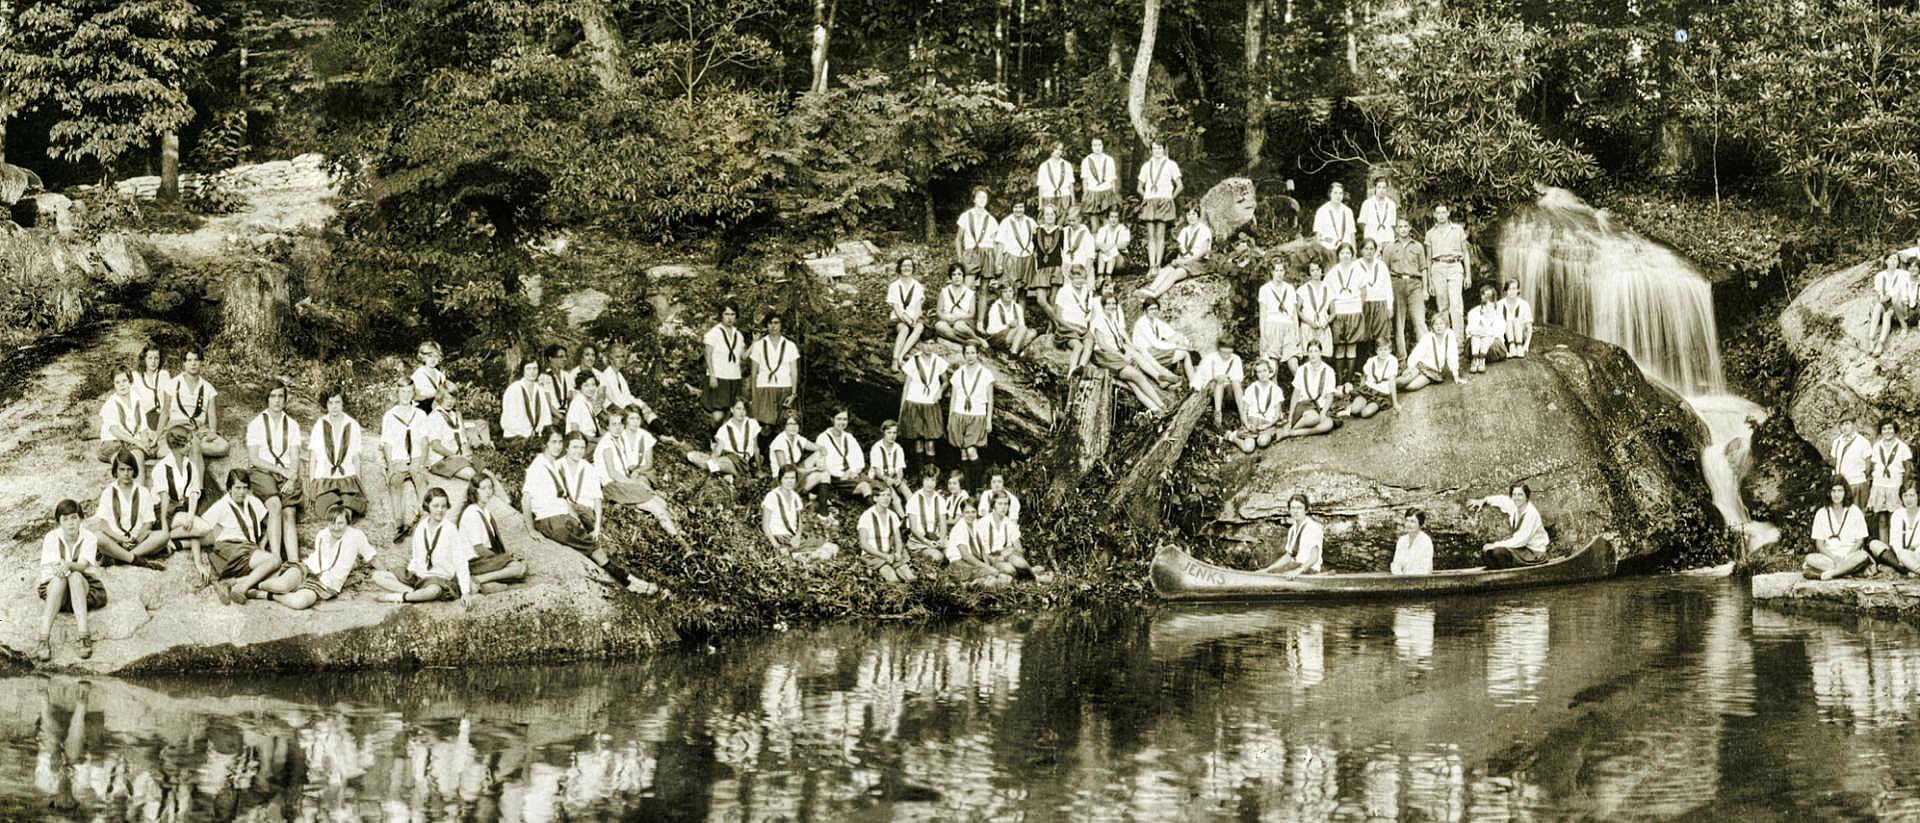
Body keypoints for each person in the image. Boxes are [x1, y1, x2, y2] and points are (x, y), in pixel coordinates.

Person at [197, 469, 293, 606]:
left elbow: (271, 524)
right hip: (230, 548)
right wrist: (197, 561)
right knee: (275, 560)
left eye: (245, 488)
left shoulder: (252, 501)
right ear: (229, 488)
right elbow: (198, 531)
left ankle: (231, 583)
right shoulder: (221, 506)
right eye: (237, 488)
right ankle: (242, 587)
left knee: (278, 572)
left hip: (249, 549)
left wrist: (263, 542)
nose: (241, 492)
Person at [259, 503, 376, 610]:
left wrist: (387, 572)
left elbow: (371, 557)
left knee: (299, 602)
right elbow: (317, 559)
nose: (336, 527)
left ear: (348, 523)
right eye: (332, 523)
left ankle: (267, 595)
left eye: (340, 523)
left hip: (327, 583)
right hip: (308, 569)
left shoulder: (356, 536)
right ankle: (257, 585)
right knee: (281, 585)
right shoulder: (323, 534)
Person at [373, 487, 473, 602]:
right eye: (436, 506)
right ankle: (414, 594)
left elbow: (460, 561)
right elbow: (416, 557)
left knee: (433, 591)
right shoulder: (421, 527)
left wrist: (465, 592)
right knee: (378, 576)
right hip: (419, 577)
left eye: (443, 506)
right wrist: (409, 574)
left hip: (439, 580)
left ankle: (399, 597)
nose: (440, 510)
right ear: (427, 506)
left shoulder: (450, 529)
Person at [35, 500, 105, 661]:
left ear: (80, 518)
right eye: (65, 519)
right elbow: (56, 569)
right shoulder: (51, 537)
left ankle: (83, 635)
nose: (70, 523)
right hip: (56, 589)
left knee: (74, 575)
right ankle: (43, 638)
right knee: (61, 579)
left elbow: (82, 566)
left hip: (80, 588)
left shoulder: (89, 537)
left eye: (73, 518)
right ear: (59, 522)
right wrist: (64, 567)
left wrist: (67, 564)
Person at [597, 407, 682, 537]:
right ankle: (680, 541)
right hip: (613, 486)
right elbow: (612, 473)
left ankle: (674, 531)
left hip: (621, 482)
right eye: (614, 424)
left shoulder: (616, 440)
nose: (618, 427)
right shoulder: (606, 444)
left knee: (661, 503)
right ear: (606, 426)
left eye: (620, 423)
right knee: (656, 507)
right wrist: (634, 483)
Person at [1089, 281, 1171, 412]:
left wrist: (1126, 351)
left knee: (1133, 383)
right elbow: (1103, 345)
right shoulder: (1098, 320)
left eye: (1113, 304)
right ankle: (1162, 405)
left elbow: (1118, 340)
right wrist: (1122, 356)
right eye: (1108, 304)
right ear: (1103, 305)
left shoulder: (1112, 319)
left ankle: (1156, 409)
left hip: (1114, 353)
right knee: (1137, 376)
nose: (1111, 306)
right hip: (1103, 356)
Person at [244, 381, 303, 561]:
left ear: (285, 400)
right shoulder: (256, 423)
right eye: (273, 396)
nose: (276, 401)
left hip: (286, 474)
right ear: (267, 399)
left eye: (280, 396)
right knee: (275, 504)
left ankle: (294, 562)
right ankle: (275, 558)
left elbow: (294, 457)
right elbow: (254, 458)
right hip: (262, 471)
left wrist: (292, 478)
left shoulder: (292, 425)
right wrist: (281, 471)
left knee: (289, 512)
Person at [93, 449, 167, 567]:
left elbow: (148, 524)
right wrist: (120, 538)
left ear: (134, 471)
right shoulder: (108, 492)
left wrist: (136, 539)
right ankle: (133, 558)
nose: (126, 473)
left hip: (137, 541)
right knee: (97, 537)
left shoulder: (143, 492)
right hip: (115, 540)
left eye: (129, 469)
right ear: (116, 471)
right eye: (122, 469)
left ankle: (123, 557)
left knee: (163, 536)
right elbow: (103, 524)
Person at [381, 381, 433, 544]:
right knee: (395, 483)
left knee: (420, 479)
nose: (405, 395)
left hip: (416, 456)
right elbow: (387, 443)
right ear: (397, 394)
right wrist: (390, 466)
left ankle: (425, 522)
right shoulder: (390, 416)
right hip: (399, 458)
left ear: (413, 394)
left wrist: (423, 462)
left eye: (409, 392)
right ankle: (399, 524)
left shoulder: (420, 414)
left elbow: (424, 440)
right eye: (402, 392)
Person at [457, 475, 530, 592]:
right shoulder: (471, 513)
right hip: (474, 562)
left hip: (483, 559)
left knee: (520, 564)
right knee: (519, 568)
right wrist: (502, 558)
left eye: (490, 488)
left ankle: (488, 583)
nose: (488, 492)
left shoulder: (485, 512)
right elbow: (479, 548)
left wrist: (507, 555)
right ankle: (478, 579)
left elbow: (492, 543)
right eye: (483, 488)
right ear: (474, 491)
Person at [307, 385, 369, 521]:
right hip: (325, 479)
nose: (334, 407)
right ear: (326, 404)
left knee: (347, 509)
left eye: (337, 402)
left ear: (343, 404)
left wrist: (358, 483)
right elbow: (313, 456)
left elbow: (356, 457)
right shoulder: (320, 424)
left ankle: (346, 515)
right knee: (331, 510)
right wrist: (312, 483)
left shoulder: (352, 425)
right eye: (330, 403)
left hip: (347, 478)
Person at [763, 468, 840, 560]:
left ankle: (802, 555)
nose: (789, 481)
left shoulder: (795, 497)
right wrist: (777, 545)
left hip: (793, 536)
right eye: (786, 478)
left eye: (792, 478)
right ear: (780, 480)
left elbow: (799, 522)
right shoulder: (772, 496)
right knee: (825, 554)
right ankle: (800, 555)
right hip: (780, 537)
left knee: (834, 547)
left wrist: (798, 536)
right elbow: (765, 526)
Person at [1803, 477, 1873, 580]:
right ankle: (1846, 571)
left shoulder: (1855, 511)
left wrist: (1846, 556)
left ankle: (1833, 574)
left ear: (1846, 492)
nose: (1836, 495)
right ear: (1828, 493)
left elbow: (1860, 541)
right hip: (1829, 557)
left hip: (1850, 555)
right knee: (1809, 558)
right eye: (1833, 491)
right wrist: (1834, 558)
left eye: (1840, 491)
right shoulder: (1821, 513)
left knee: (1862, 555)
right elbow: (1820, 544)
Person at [167, 348, 229, 459]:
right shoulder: (172, 384)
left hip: (198, 430)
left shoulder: (208, 388)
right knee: (193, 445)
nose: (193, 364)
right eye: (189, 360)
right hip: (178, 427)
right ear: (184, 363)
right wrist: (157, 436)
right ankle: (191, 448)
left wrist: (213, 431)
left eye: (196, 360)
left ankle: (185, 448)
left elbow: (211, 415)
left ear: (201, 363)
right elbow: (165, 412)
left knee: (223, 447)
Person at [1139, 208, 1214, 298]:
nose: (1191, 217)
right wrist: (1178, 260)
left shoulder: (1204, 230)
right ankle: (1151, 289)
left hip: (1198, 262)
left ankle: (1156, 294)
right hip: (1184, 260)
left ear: (1198, 215)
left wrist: (1186, 261)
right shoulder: (1184, 230)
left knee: (1176, 273)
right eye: (1188, 214)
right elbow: (1181, 250)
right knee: (1166, 270)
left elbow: (1203, 251)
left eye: (1193, 214)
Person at [1470, 484, 1550, 569]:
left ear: (1526, 497)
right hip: (1521, 549)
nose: (1516, 498)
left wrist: (1495, 545)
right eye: (1514, 495)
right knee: (1487, 553)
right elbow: (1501, 500)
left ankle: (1510, 576)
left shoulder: (1531, 514)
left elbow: (1520, 540)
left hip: (1534, 553)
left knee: (1498, 552)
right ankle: (1496, 576)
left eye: (1520, 495)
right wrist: (1484, 500)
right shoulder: (1514, 506)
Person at [1324, 244, 1367, 387]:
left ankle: (1348, 381)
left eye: (1348, 253)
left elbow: (1363, 290)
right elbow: (1328, 294)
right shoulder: (1332, 273)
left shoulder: (1358, 271)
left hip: (1354, 310)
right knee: (1340, 347)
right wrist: (1333, 311)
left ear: (1352, 255)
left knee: (1352, 346)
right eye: (1342, 253)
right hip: (1339, 311)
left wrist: (1359, 306)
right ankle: (1339, 382)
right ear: (1338, 255)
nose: (1345, 256)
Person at [1383, 218, 1428, 359]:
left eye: (1405, 226)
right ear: (1396, 229)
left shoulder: (1418, 247)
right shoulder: (1389, 248)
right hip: (1396, 284)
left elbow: (1424, 269)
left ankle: (1425, 357)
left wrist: (1425, 289)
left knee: (1420, 321)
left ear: (1410, 228)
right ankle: (1402, 358)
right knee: (1399, 324)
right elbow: (1385, 272)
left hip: (1415, 285)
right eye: (1400, 227)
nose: (1403, 229)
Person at [98, 370, 157, 474]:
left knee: (140, 455)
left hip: (132, 442)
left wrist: (145, 442)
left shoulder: (136, 400)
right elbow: (115, 431)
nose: (121, 385)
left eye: (124, 381)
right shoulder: (111, 403)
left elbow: (142, 428)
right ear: (114, 385)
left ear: (130, 382)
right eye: (117, 382)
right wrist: (138, 442)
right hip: (114, 442)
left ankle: (140, 488)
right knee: (126, 461)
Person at [1135, 141, 1183, 272]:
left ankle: (1158, 265)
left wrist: (1170, 198)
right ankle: (1151, 267)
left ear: (1164, 149)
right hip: (1150, 202)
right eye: (1154, 148)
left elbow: (1180, 186)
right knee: (1151, 235)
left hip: (1164, 201)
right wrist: (1147, 196)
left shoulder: (1171, 165)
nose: (1157, 151)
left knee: (1160, 235)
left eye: (1159, 148)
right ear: (1151, 150)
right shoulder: (1146, 166)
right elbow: (1139, 187)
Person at [1277, 341, 1338, 440]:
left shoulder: (1329, 370)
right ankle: (1292, 426)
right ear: (1307, 353)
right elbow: (1296, 394)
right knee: (1313, 418)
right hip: (1304, 406)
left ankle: (1293, 432)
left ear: (1321, 353)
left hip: (1320, 407)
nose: (1313, 354)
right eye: (1310, 351)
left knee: (1328, 424)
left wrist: (1323, 412)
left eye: (1316, 351)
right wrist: (1290, 418)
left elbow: (1330, 396)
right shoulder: (1301, 370)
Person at [1426, 204, 1471, 339]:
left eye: (1443, 212)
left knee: (1456, 305)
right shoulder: (1430, 233)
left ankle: (1459, 341)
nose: (1441, 215)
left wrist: (1468, 275)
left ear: (1448, 213)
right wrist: (1430, 283)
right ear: (1434, 215)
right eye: (1438, 213)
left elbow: (1466, 253)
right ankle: (1445, 339)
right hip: (1438, 267)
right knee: (1442, 306)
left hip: (1455, 266)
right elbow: (1428, 259)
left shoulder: (1457, 230)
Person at [748, 316, 800, 427]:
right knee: (764, 426)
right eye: (770, 323)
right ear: (766, 326)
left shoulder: (790, 345)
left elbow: (794, 372)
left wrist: (793, 394)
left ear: (781, 325)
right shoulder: (759, 345)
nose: (773, 326)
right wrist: (754, 395)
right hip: (764, 387)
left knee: (785, 423)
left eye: (776, 323)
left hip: (785, 387)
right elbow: (753, 373)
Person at [1131, 298, 1197, 384]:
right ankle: (1192, 382)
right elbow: (1156, 343)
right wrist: (1177, 346)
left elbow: (1172, 333)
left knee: (1179, 338)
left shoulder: (1156, 321)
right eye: (1151, 309)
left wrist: (1186, 343)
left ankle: (1194, 383)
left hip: (1155, 351)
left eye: (1156, 308)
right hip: (1147, 355)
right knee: (1184, 353)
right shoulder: (1142, 323)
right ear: (1145, 310)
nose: (1154, 311)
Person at [858, 488, 917, 584]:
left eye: (888, 495)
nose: (886, 498)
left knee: (910, 577)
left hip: (890, 553)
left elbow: (898, 539)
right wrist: (883, 556)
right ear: (875, 498)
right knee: (893, 579)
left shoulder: (893, 515)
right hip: (873, 555)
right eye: (883, 495)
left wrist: (897, 552)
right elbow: (863, 544)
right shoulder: (866, 516)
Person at [693, 400, 762, 480]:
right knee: (692, 455)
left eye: (743, 409)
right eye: (738, 409)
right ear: (732, 409)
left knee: (716, 463)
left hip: (742, 462)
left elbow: (756, 447)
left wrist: (759, 469)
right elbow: (718, 449)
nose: (741, 412)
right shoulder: (724, 429)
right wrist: (713, 457)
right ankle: (725, 473)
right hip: (728, 458)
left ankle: (722, 471)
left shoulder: (752, 423)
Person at [1228, 358, 1286, 453]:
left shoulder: (1276, 390)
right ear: (1256, 374)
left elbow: (1277, 415)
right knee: (1248, 448)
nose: (1262, 374)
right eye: (1259, 372)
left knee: (1262, 442)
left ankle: (1262, 436)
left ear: (1270, 371)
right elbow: (1244, 411)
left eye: (1264, 370)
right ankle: (1232, 437)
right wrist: (1247, 424)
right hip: (1252, 423)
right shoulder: (1251, 388)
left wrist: (1267, 425)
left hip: (1267, 424)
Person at [1867, 419, 1913, 540]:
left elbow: (1908, 468)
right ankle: (1884, 548)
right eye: (1884, 429)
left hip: (1895, 486)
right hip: (1879, 485)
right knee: (1882, 519)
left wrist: (1904, 486)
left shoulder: (1902, 447)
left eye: (1890, 428)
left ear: (1895, 430)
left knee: (1895, 518)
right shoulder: (1877, 446)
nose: (1887, 431)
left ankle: (1895, 548)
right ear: (1881, 431)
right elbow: (1872, 465)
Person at [944, 504, 1010, 588]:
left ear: (977, 512)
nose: (970, 515)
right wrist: (987, 568)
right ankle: (967, 584)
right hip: (960, 563)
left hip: (975, 560)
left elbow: (982, 549)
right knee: (995, 580)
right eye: (967, 512)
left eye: (973, 512)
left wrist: (988, 566)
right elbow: (966, 555)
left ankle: (974, 583)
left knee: (1005, 576)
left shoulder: (975, 525)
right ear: (962, 514)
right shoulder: (960, 528)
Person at [703, 306, 749, 425]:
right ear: (721, 315)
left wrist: (754, 343)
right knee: (718, 415)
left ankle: (724, 441)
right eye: (726, 314)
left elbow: (743, 356)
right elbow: (708, 355)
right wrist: (712, 375)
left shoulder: (738, 335)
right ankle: (712, 439)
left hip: (734, 377)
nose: (730, 318)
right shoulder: (713, 333)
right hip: (718, 376)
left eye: (732, 314)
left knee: (731, 413)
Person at [1259, 494, 1324, 576]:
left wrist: (1297, 571)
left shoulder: (1313, 528)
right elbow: (1289, 555)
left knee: (1282, 572)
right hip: (1295, 566)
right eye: (1293, 508)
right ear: (1289, 510)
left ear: (1306, 510)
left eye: (1299, 508)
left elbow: (1314, 557)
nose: (1295, 511)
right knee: (1271, 571)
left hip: (1309, 569)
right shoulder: (1292, 529)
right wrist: (1268, 569)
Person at [425, 387, 479, 483]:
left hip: (458, 456)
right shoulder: (435, 416)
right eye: (446, 398)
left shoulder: (456, 415)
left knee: (488, 475)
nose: (450, 402)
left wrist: (466, 452)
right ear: (440, 398)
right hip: (442, 460)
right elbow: (435, 446)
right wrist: (457, 457)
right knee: (475, 477)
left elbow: (463, 439)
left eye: (452, 398)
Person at [1399, 312, 1463, 392]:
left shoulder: (1450, 335)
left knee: (1411, 387)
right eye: (1436, 324)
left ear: (1446, 325)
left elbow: (1452, 355)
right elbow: (1416, 353)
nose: (1439, 327)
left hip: (1433, 372)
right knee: (1404, 380)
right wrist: (1410, 367)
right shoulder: (1428, 337)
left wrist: (1456, 375)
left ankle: (1389, 389)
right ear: (1432, 326)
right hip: (1420, 366)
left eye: (1441, 323)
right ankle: (1384, 387)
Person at [1192, 336, 1247, 429]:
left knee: (1236, 383)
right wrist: (1217, 378)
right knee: (1220, 381)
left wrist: (1228, 379)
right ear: (1218, 350)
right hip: (1212, 390)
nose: (1226, 356)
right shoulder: (1210, 358)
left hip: (1228, 391)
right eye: (1223, 353)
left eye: (1229, 353)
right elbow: (1201, 378)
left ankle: (1242, 414)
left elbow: (1237, 379)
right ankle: (1218, 413)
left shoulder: (1236, 359)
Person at [815, 409, 871, 498]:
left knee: (880, 490)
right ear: (832, 419)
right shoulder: (823, 438)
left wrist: (852, 471)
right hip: (835, 478)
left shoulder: (849, 437)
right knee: (866, 487)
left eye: (845, 419)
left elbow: (859, 459)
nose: (842, 422)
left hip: (852, 475)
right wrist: (842, 475)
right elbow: (824, 464)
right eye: (839, 419)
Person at [977, 493, 1034, 580]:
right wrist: (990, 565)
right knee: (1010, 570)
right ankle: (1018, 578)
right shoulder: (983, 522)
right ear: (993, 505)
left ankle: (1035, 579)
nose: (1003, 507)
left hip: (1008, 554)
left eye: (1006, 504)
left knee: (1021, 564)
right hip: (992, 557)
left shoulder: (1009, 523)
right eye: (1000, 504)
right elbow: (981, 550)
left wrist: (1014, 554)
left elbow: (1018, 548)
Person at [1054, 265, 1097, 378]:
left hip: (1082, 327)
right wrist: (1072, 328)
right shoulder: (1064, 291)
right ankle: (1071, 370)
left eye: (1082, 278)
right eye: (1076, 278)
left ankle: (1081, 367)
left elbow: (1089, 312)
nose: (1079, 281)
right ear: (1071, 278)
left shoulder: (1086, 291)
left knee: (1089, 342)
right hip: (1067, 326)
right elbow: (1058, 316)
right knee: (1078, 346)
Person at [500, 359, 555, 445]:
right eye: (528, 369)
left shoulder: (540, 390)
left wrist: (544, 433)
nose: (532, 372)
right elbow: (508, 420)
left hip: (535, 437)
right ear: (523, 370)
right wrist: (527, 433)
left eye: (535, 368)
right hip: (515, 437)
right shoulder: (513, 389)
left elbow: (546, 416)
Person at [1258, 262, 1301, 369]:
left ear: (1285, 272)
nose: (1279, 273)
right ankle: (1274, 386)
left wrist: (1297, 333)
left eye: (1281, 270)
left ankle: (1300, 385)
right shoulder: (1265, 289)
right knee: (1272, 364)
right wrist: (1263, 336)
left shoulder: (1290, 288)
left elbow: (1294, 313)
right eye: (1276, 270)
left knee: (1293, 359)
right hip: (1272, 326)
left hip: (1288, 326)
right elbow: (1262, 315)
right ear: (1272, 272)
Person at [768, 414, 828, 492]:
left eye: (796, 424)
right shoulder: (779, 442)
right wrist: (813, 469)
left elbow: (819, 448)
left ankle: (818, 501)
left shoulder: (797, 438)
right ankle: (798, 494)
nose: (793, 427)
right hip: (784, 479)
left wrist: (821, 460)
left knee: (824, 473)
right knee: (820, 474)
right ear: (784, 426)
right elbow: (785, 470)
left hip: (796, 473)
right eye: (790, 424)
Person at [933, 266, 989, 348]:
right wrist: (946, 318)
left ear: (963, 276)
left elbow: (971, 314)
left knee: (958, 326)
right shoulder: (944, 291)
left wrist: (958, 317)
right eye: (954, 274)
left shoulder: (970, 293)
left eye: (959, 274)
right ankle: (964, 342)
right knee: (939, 326)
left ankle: (977, 338)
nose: (957, 277)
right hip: (948, 319)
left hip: (964, 321)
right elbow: (939, 311)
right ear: (950, 277)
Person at [1344, 337, 1398, 419]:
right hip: (1368, 390)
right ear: (1376, 351)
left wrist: (1395, 402)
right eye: (1380, 350)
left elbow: (1392, 382)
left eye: (1385, 349)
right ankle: (1355, 405)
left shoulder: (1393, 361)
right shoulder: (1371, 361)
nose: (1383, 352)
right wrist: (1360, 389)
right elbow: (1364, 376)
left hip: (1382, 393)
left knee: (1365, 413)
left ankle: (1372, 405)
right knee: (1355, 410)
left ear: (1390, 350)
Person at [1356, 239, 1394, 358]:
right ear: (1361, 250)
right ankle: (1363, 367)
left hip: (1380, 302)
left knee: (1381, 335)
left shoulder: (1381, 265)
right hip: (1363, 303)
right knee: (1363, 335)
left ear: (1375, 250)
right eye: (1366, 249)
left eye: (1372, 249)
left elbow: (1388, 286)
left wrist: (1389, 306)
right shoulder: (1356, 265)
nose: (1369, 251)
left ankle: (1381, 363)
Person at [886, 258, 927, 365]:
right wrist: (906, 320)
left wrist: (914, 319)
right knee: (904, 329)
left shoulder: (917, 286)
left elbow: (918, 307)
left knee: (920, 327)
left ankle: (901, 356)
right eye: (904, 265)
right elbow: (896, 308)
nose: (906, 268)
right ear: (899, 268)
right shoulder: (894, 286)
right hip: (898, 318)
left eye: (909, 265)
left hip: (913, 317)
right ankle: (895, 360)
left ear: (913, 268)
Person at [997, 201, 1039, 305]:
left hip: (1027, 258)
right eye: (1016, 207)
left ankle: (1021, 319)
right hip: (1011, 258)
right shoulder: (1006, 222)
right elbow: (1001, 243)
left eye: (1021, 207)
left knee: (1023, 292)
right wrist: (998, 263)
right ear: (1012, 208)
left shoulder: (1030, 221)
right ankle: (1008, 318)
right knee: (1009, 290)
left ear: (1024, 208)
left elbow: (1038, 239)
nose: (1018, 210)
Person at [1871, 254, 1914, 355]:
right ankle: (1871, 338)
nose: (1893, 261)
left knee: (1887, 314)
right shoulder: (1880, 276)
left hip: (1898, 305)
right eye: (1890, 259)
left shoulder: (1904, 274)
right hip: (1884, 303)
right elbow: (1878, 293)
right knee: (1878, 307)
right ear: (1886, 261)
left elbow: (1905, 290)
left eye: (1895, 259)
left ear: (1898, 262)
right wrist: (1879, 300)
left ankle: (1880, 343)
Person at [904, 467, 948, 564]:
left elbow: (943, 525)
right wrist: (927, 542)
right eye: (927, 480)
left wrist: (941, 539)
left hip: (936, 539)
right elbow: (913, 528)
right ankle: (920, 558)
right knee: (937, 557)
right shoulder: (913, 499)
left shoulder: (940, 499)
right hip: (919, 541)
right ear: (922, 480)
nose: (930, 483)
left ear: (936, 482)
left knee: (952, 553)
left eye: (933, 480)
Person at [983, 282, 1039, 357]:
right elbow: (990, 330)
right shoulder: (995, 307)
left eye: (1010, 291)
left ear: (1013, 293)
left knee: (1032, 332)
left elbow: (1022, 326)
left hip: (1014, 336)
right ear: (1000, 293)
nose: (1008, 294)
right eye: (1005, 292)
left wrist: (1016, 328)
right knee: (1023, 330)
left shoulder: (1018, 307)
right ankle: (1014, 353)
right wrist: (1008, 326)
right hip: (999, 338)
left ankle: (1012, 350)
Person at [955, 188, 1000, 281]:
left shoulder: (991, 219)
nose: (982, 200)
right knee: (968, 285)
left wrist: (997, 262)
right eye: (979, 197)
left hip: (987, 253)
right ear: (974, 199)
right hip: (970, 252)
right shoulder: (965, 216)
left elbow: (995, 242)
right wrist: (960, 257)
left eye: (984, 197)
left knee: (984, 289)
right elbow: (958, 239)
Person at [1830, 416, 1874, 510]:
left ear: (1853, 425)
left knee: (1857, 513)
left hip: (1857, 483)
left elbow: (1868, 464)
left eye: (1847, 424)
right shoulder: (1837, 442)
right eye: (1842, 425)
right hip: (1841, 485)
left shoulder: (1862, 442)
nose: (1844, 427)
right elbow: (1834, 462)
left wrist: (1861, 477)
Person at [1873, 484, 1920, 572]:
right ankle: (1907, 569)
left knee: (1905, 555)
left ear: (1918, 496)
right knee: (1874, 544)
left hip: (1917, 555)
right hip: (1899, 555)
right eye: (1905, 495)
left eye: (1912, 496)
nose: (1908, 499)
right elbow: (1894, 541)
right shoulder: (1898, 514)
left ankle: (1905, 569)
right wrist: (1900, 554)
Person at [1464, 284, 1508, 374]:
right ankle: (1476, 360)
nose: (1487, 298)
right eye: (1485, 296)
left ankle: (1482, 360)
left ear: (1494, 298)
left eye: (1490, 297)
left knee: (1487, 336)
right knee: (1475, 336)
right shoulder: (1474, 312)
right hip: (1474, 348)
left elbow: (1499, 332)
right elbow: (1469, 330)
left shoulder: (1498, 313)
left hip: (1493, 349)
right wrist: (1481, 332)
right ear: (1481, 296)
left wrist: (1484, 332)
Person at [1297, 262, 1333, 366]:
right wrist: (1309, 322)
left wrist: (1327, 322)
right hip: (1308, 325)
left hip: (1323, 325)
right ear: (1309, 272)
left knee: (1324, 355)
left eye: (1317, 270)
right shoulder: (1302, 289)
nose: (1315, 273)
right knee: (1308, 355)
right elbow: (1298, 310)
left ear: (1322, 271)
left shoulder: (1328, 288)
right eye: (1312, 270)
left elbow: (1333, 312)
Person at [867, 420, 913, 503]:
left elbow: (900, 469)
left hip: (893, 478)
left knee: (908, 493)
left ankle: (916, 514)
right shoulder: (876, 448)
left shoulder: (898, 448)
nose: (892, 436)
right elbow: (877, 471)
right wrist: (886, 478)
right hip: (880, 479)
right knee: (896, 499)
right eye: (889, 433)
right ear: (883, 433)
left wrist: (899, 478)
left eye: (894, 433)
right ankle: (903, 516)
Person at [131, 344, 172, 433]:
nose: (153, 362)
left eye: (156, 358)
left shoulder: (164, 375)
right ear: (144, 359)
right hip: (145, 422)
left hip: (164, 419)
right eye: (150, 358)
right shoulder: (135, 376)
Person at [1079, 138, 1119, 219]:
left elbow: (1112, 180)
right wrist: (1085, 195)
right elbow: (1085, 180)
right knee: (1094, 220)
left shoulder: (1109, 160)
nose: (1097, 147)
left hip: (1107, 192)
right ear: (1091, 147)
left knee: (1106, 219)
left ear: (1103, 146)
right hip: (1093, 192)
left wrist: (1114, 194)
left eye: (1099, 145)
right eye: (1095, 145)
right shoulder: (1086, 161)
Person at [1313, 183, 1357, 253]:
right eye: (1335, 193)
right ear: (1330, 194)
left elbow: (1352, 233)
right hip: (1328, 250)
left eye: (1340, 193)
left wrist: (1354, 251)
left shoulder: (1348, 211)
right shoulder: (1322, 211)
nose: (1338, 196)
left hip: (1345, 251)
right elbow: (1318, 235)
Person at [1035, 142, 1076, 215]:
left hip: (1064, 197)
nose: (1058, 151)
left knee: (1064, 221)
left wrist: (1073, 202)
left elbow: (1071, 184)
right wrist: (1040, 204)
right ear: (1051, 150)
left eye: (1060, 149)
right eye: (1055, 149)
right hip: (1048, 197)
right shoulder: (1043, 166)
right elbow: (1040, 187)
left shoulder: (1067, 165)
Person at [1391, 508, 1434, 575]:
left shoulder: (1425, 541)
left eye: (1412, 521)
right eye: (1407, 520)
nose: (1408, 524)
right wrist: (1400, 577)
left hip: (1420, 581)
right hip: (1402, 581)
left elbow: (1426, 569)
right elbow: (1396, 564)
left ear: (1420, 524)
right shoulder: (1402, 541)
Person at [1498, 280, 1534, 358]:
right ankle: (1512, 346)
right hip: (1506, 337)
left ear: (1518, 290)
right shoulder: (1500, 304)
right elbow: (1496, 327)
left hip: (1520, 336)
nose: (1511, 291)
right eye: (1509, 289)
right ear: (1506, 290)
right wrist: (1503, 347)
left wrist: (1526, 345)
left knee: (1517, 320)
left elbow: (1529, 328)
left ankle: (1519, 346)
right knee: (1508, 321)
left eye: (1514, 289)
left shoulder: (1524, 304)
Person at [539, 344, 574, 424]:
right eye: (560, 357)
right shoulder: (544, 377)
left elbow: (570, 398)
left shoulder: (566, 375)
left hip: (566, 415)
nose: (564, 359)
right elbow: (547, 404)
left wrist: (569, 415)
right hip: (552, 417)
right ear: (551, 358)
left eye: (565, 356)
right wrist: (561, 417)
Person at [411, 341, 449, 412]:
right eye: (429, 356)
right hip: (422, 409)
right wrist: (430, 395)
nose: (433, 359)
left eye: (436, 356)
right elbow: (413, 396)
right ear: (423, 357)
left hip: (438, 409)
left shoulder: (441, 375)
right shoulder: (418, 375)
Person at [1357, 180, 1397, 246]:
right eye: (1379, 187)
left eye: (1384, 187)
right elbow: (1361, 223)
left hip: (1388, 240)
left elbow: (1393, 225)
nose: (1381, 190)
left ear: (1387, 189)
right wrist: (1369, 234)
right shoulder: (1367, 203)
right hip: (1372, 240)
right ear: (1375, 188)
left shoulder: (1391, 204)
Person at [564, 371, 603, 438]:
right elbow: (575, 431)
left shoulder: (587, 401)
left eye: (593, 385)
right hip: (582, 441)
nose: (591, 388)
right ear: (580, 387)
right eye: (586, 385)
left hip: (592, 438)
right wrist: (596, 440)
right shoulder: (577, 403)